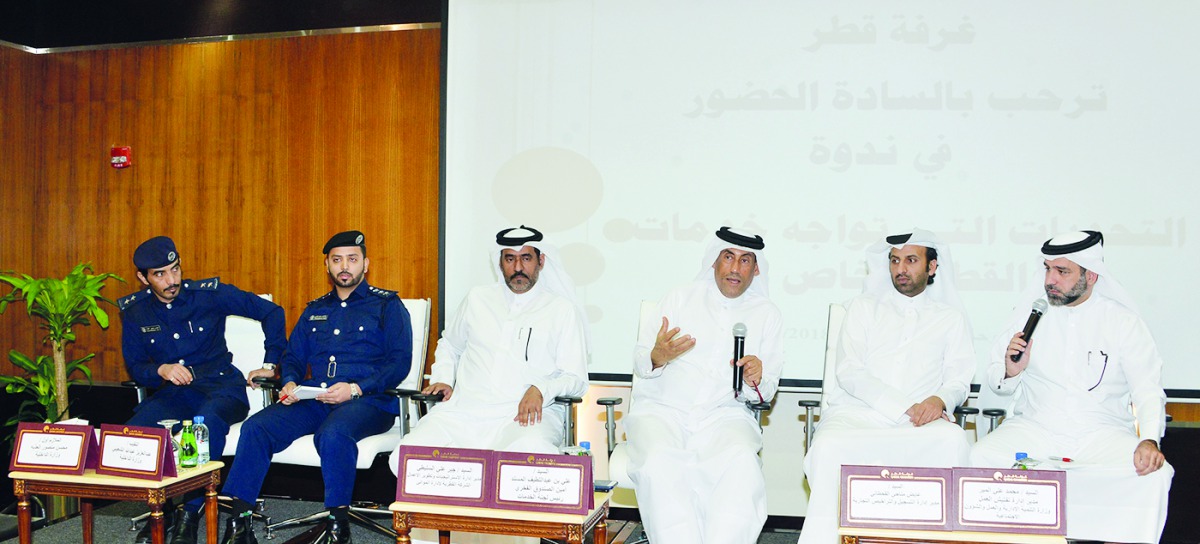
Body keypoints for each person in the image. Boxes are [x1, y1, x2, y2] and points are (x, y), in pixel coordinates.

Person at [970, 231, 1172, 543]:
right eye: (1048, 269)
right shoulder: (1028, 316)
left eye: (1062, 272)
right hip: (1036, 427)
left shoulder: (1122, 322)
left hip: (1100, 432)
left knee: (1152, 475)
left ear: (1091, 275)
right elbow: (999, 384)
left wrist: (1148, 440)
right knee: (980, 458)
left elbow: (1147, 389)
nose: (1050, 280)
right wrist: (1011, 372)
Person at [220, 231, 412, 544]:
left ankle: (338, 527)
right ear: (327, 266)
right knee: (257, 427)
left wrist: (354, 388)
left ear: (366, 263)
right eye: (337, 260)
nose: (345, 266)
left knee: (333, 435)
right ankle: (239, 524)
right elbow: (293, 356)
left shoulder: (387, 306)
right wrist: (291, 380)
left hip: (369, 402)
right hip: (315, 397)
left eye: (352, 259)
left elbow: (399, 364)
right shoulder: (315, 309)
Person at [797, 229, 975, 544]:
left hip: (920, 422)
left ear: (932, 267)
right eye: (894, 261)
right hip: (858, 415)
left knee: (954, 442)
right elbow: (850, 371)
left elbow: (959, 378)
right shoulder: (862, 307)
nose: (900, 269)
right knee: (826, 447)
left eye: (911, 260)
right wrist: (904, 405)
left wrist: (939, 400)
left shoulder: (951, 318)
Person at [118, 236, 286, 544]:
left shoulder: (209, 295)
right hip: (175, 394)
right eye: (160, 274)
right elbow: (136, 366)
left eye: (175, 269)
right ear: (143, 278)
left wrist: (271, 363)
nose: (171, 280)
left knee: (203, 427)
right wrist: (160, 369)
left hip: (221, 388)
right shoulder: (135, 312)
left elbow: (272, 312)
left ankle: (189, 515)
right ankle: (163, 510)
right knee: (136, 432)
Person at [624, 226, 784, 544]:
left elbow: (767, 390)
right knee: (659, 461)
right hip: (662, 412)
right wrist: (658, 355)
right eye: (728, 257)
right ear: (714, 260)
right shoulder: (678, 298)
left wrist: (757, 378)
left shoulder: (767, 315)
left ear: (756, 269)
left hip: (725, 417)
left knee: (741, 463)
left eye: (745, 260)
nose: (735, 268)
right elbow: (641, 361)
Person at [389, 225, 588, 463]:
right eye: (510, 259)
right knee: (405, 456)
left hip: (525, 416)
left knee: (528, 456)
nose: (517, 268)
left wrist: (540, 389)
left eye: (526, 258)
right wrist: (443, 377)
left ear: (541, 261)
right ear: (500, 261)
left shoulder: (561, 310)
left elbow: (576, 380)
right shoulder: (477, 298)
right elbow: (450, 345)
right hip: (464, 412)